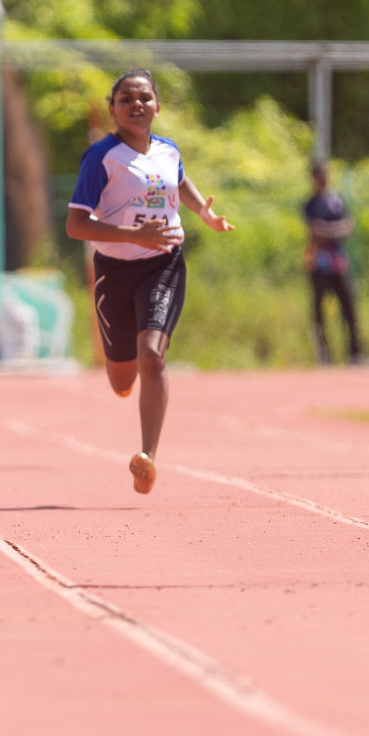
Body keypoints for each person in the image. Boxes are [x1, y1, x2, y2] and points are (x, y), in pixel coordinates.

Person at [65, 69, 233, 495]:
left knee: (152, 356)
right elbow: (75, 225)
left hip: (163, 263)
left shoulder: (168, 150)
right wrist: (131, 236)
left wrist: (204, 214)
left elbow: (180, 180)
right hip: (115, 271)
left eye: (143, 97)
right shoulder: (102, 157)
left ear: (158, 105)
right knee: (123, 380)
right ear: (113, 109)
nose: (135, 104)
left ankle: (147, 457)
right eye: (125, 98)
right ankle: (123, 372)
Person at [304, 162, 364, 365]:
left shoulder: (337, 201)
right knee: (319, 311)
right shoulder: (310, 204)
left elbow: (348, 226)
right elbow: (314, 230)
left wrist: (328, 231)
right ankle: (324, 355)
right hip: (318, 264)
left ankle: (356, 353)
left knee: (349, 308)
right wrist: (334, 231)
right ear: (313, 178)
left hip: (338, 263)